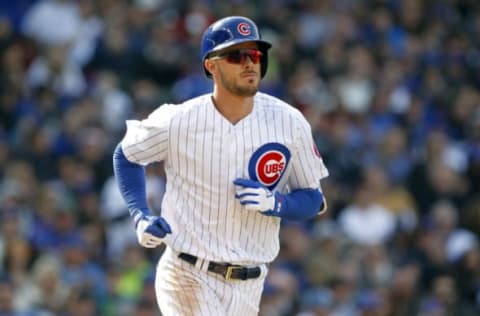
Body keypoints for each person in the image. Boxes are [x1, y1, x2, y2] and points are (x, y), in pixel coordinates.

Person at [113, 16, 329, 315]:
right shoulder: (178, 120)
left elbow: (313, 199)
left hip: (249, 283)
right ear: (211, 65)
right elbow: (126, 155)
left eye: (255, 54)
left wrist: (276, 202)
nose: (249, 63)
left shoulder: (289, 122)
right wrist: (140, 215)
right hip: (186, 272)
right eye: (236, 55)